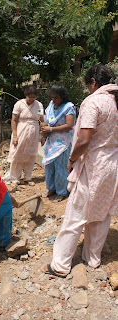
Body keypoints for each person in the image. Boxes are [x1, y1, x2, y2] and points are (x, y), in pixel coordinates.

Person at [41, 64, 118, 277]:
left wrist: (72, 160)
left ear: (93, 82)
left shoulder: (94, 102)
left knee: (75, 214)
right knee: (101, 213)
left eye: (88, 85)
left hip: (93, 165)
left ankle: (60, 265)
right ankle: (92, 258)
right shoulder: (115, 101)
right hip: (112, 164)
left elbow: (84, 139)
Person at [41, 85, 76, 202]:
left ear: (62, 97)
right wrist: (44, 128)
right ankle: (51, 188)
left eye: (56, 97)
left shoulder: (68, 107)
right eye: (52, 97)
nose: (53, 100)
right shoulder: (51, 106)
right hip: (51, 141)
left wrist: (51, 129)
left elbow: (69, 125)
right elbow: (46, 120)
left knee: (61, 168)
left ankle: (62, 192)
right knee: (49, 166)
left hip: (63, 142)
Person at [7, 85, 43, 184]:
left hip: (33, 133)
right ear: (25, 95)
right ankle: (15, 177)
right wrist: (15, 135)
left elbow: (42, 120)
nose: (31, 99)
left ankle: (28, 177)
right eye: (29, 97)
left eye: (33, 97)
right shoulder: (19, 104)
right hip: (21, 131)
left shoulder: (39, 105)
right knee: (18, 153)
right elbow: (14, 120)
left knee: (31, 155)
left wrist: (43, 134)